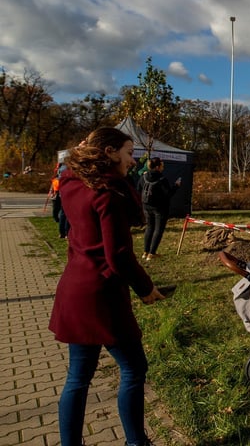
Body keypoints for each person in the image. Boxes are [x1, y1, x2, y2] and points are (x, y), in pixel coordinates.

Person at [49, 127, 165, 446]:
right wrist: (145, 288)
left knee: (77, 378)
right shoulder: (107, 192)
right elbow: (118, 254)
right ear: (110, 153)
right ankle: (136, 442)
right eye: (128, 152)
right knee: (134, 368)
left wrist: (85, 145)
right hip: (101, 295)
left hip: (74, 287)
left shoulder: (74, 182)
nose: (133, 160)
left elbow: (75, 160)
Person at [136, 157, 181, 260]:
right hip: (160, 208)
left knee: (149, 227)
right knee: (158, 230)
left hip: (146, 206)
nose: (163, 167)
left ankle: (145, 252)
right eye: (162, 166)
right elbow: (169, 194)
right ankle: (152, 253)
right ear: (157, 167)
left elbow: (138, 189)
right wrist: (176, 186)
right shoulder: (162, 179)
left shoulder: (143, 177)